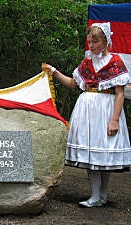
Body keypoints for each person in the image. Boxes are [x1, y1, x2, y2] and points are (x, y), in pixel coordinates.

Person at [44, 22, 131, 207]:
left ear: (105, 41)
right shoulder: (87, 62)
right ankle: (94, 195)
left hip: (105, 110)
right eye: (89, 42)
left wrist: (114, 120)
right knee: (92, 152)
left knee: (104, 153)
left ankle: (102, 194)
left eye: (95, 42)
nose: (91, 46)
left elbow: (120, 94)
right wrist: (54, 72)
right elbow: (73, 83)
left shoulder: (115, 62)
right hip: (87, 110)